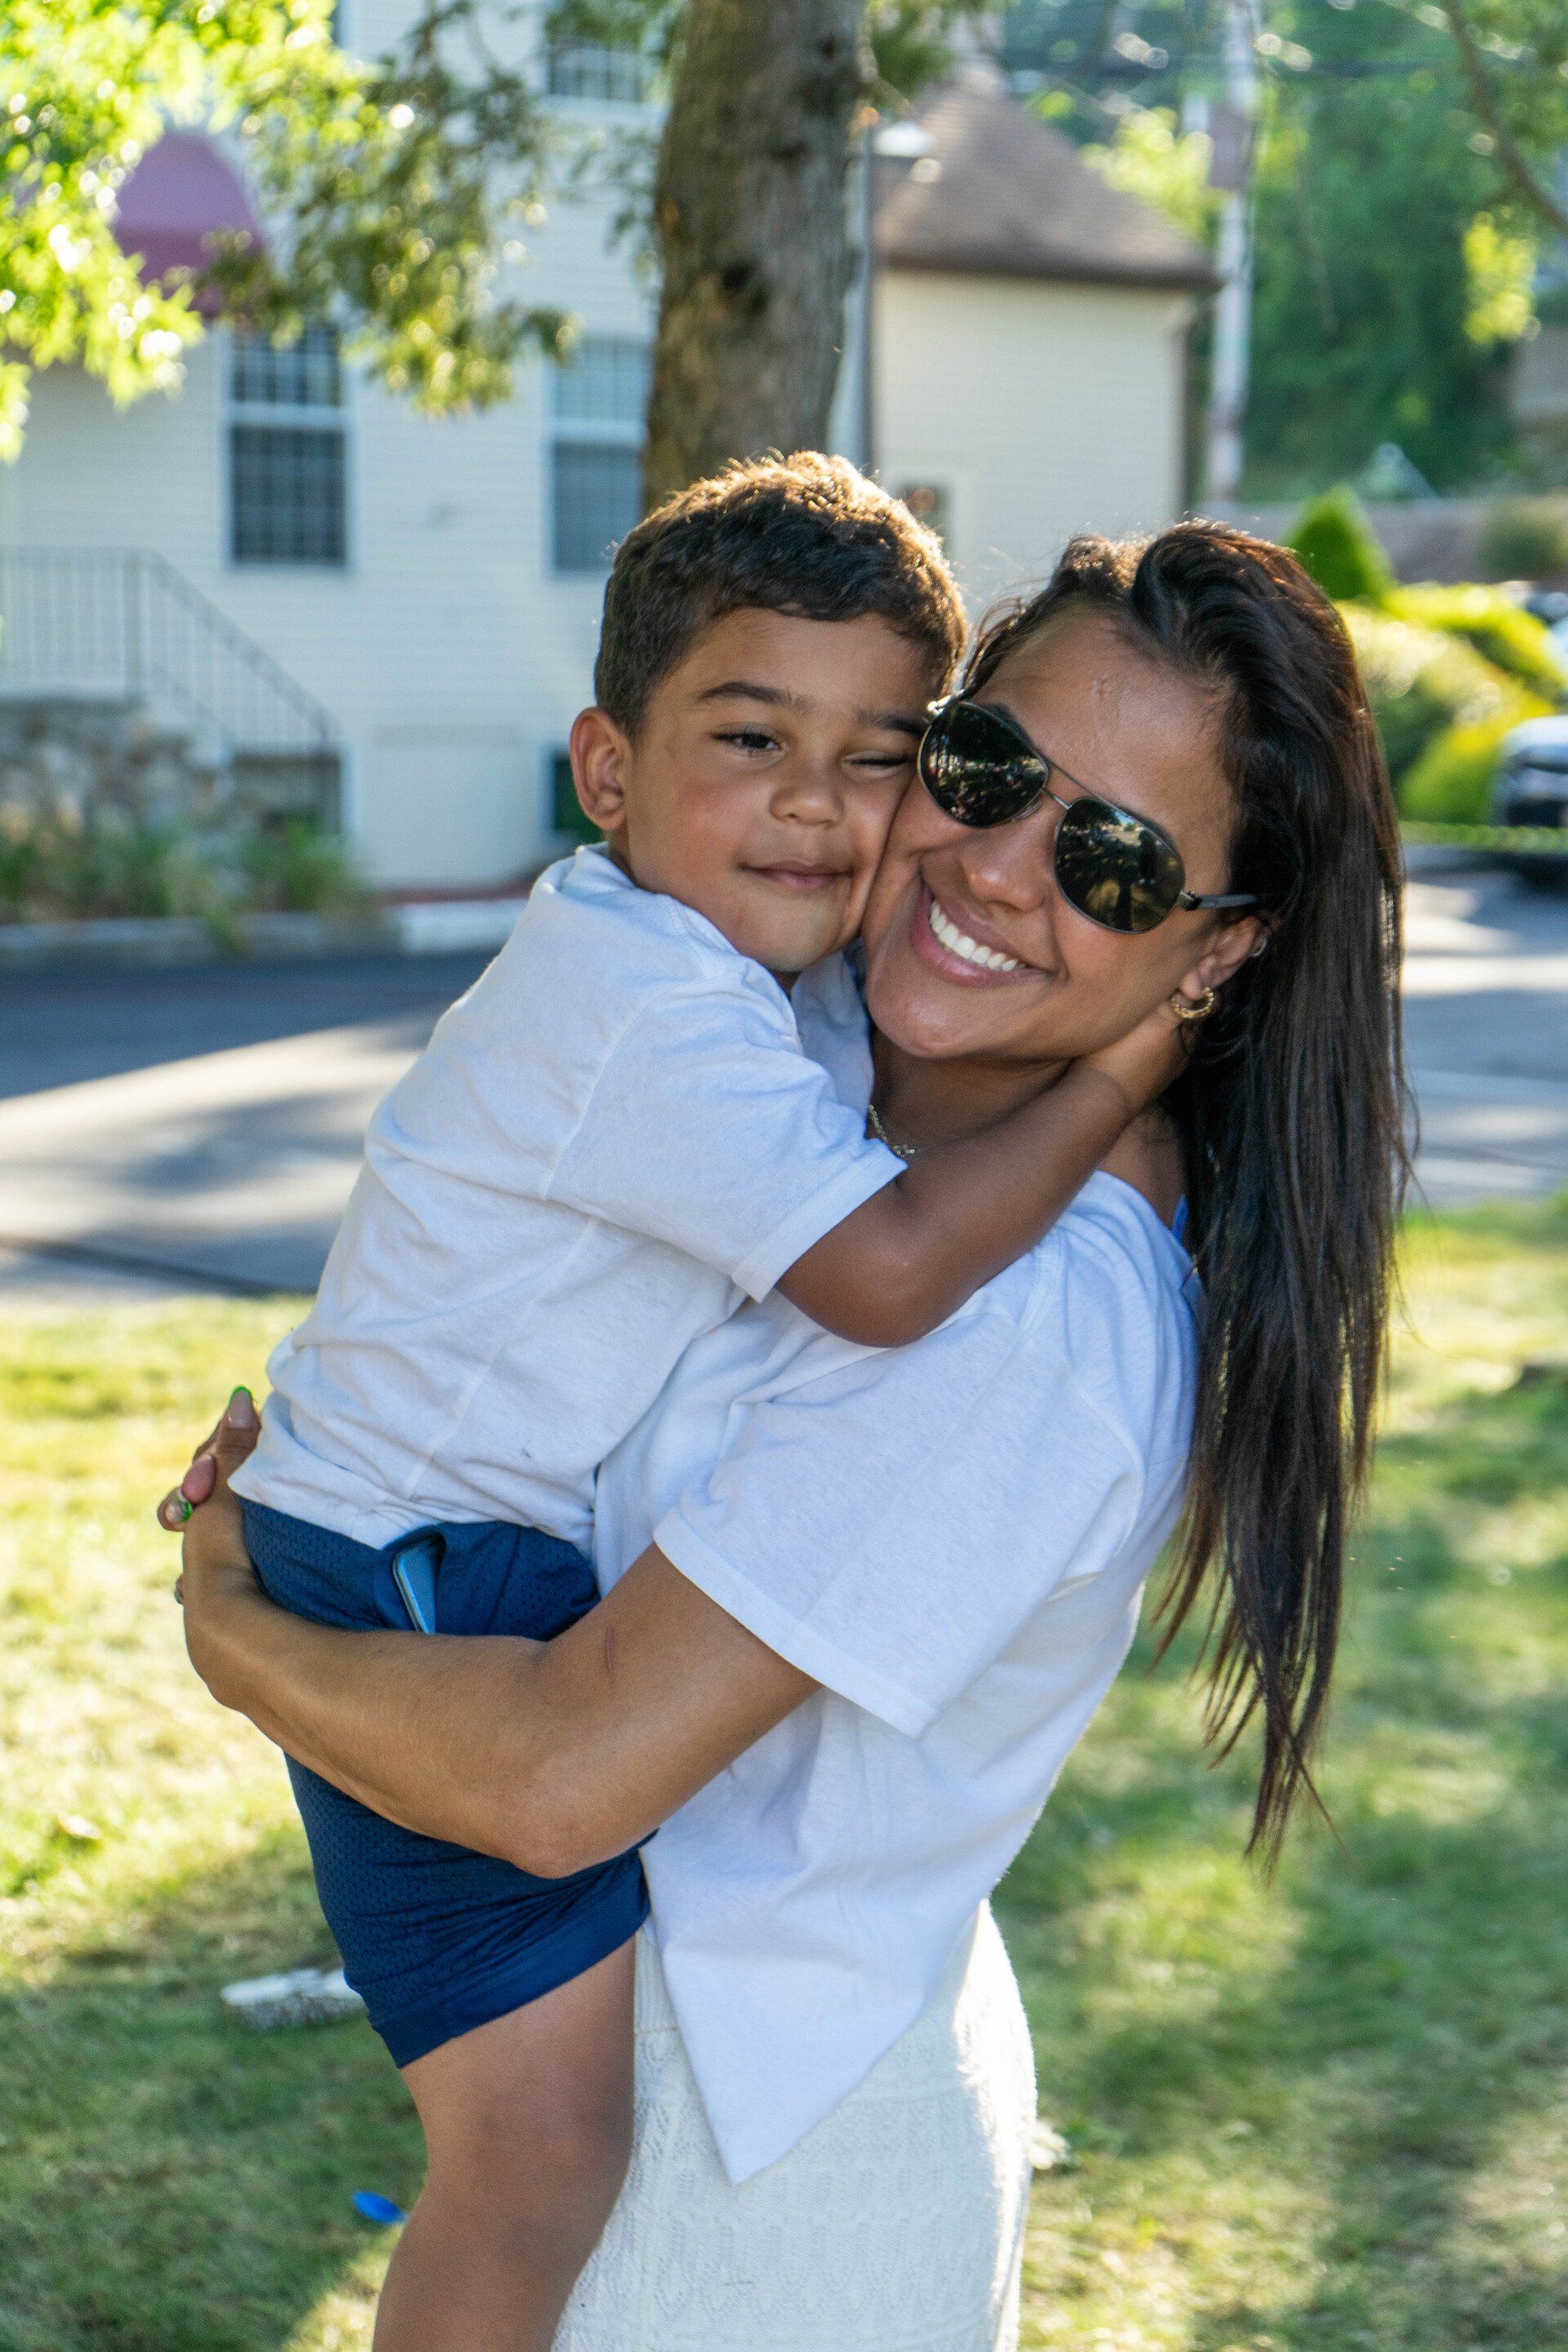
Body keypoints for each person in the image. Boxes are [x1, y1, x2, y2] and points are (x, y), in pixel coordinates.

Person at [166, 519, 1405, 2352]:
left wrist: (238, 1628)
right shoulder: (785, 1049)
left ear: (1220, 952)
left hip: (753, 2219)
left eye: (1118, 861)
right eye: (984, 768)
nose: (990, 866)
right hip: (652, 2109)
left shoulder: (1035, 1321)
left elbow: (557, 1778)